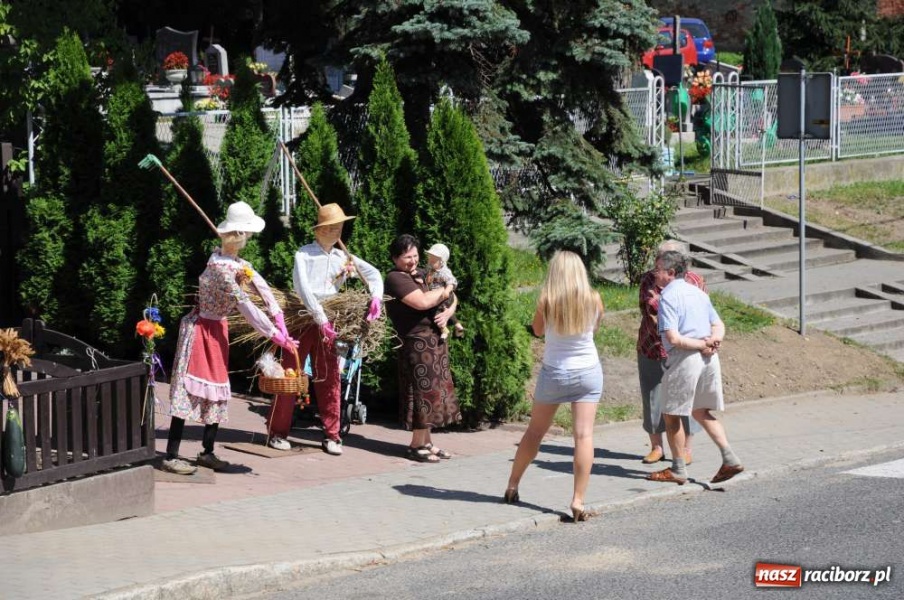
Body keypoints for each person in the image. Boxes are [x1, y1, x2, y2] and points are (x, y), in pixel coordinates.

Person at [162, 201, 298, 475]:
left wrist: (279, 317)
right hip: (201, 330)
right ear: (239, 234)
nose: (249, 238)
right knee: (189, 388)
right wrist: (274, 335)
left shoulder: (237, 264)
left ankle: (207, 451)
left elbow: (261, 286)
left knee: (218, 387)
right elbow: (245, 305)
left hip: (217, 329)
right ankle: (171, 455)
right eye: (247, 234)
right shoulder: (220, 268)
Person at [266, 203, 383, 456]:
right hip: (302, 319)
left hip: (331, 320)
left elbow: (373, 274)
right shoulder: (304, 254)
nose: (335, 231)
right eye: (330, 227)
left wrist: (376, 297)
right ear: (318, 230)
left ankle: (332, 435)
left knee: (330, 377)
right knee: (290, 375)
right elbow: (303, 289)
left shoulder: (343, 257)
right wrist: (320, 318)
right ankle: (277, 432)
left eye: (338, 227)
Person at [504, 251, 604, 522]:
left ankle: (513, 484)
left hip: (555, 372)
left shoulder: (546, 300)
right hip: (588, 371)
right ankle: (578, 500)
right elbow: (594, 329)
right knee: (583, 436)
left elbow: (537, 330)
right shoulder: (594, 298)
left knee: (535, 432)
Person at [646, 250, 744, 485]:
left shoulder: (668, 297)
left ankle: (678, 469)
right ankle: (730, 458)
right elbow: (718, 324)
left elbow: (674, 338)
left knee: (672, 415)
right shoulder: (698, 293)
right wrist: (713, 341)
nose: (654, 274)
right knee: (701, 411)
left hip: (685, 359)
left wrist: (702, 344)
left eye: (657, 269)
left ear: (671, 272)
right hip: (709, 360)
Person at [384, 234, 461, 462]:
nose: (413, 261)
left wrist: (448, 311)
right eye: (407, 257)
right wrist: (444, 291)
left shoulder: (422, 273)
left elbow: (452, 294)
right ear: (395, 258)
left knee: (434, 392)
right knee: (422, 393)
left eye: (415, 255)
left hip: (434, 340)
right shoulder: (395, 278)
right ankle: (416, 445)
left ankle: (427, 442)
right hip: (416, 343)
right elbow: (422, 302)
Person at [636, 240, 706, 466]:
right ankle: (657, 447)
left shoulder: (695, 281)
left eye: (664, 258)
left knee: (686, 398)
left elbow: (700, 311)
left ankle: (686, 449)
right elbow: (650, 306)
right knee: (652, 398)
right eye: (658, 258)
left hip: (684, 349)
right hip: (651, 346)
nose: (658, 263)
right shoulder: (649, 279)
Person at [425, 243, 465, 340]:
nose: (429, 262)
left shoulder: (444, 272)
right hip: (440, 296)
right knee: (446, 311)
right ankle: (458, 325)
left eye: (432, 261)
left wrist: (447, 291)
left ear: (441, 262)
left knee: (436, 313)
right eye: (429, 259)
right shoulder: (431, 269)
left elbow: (452, 282)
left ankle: (444, 330)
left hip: (444, 296)